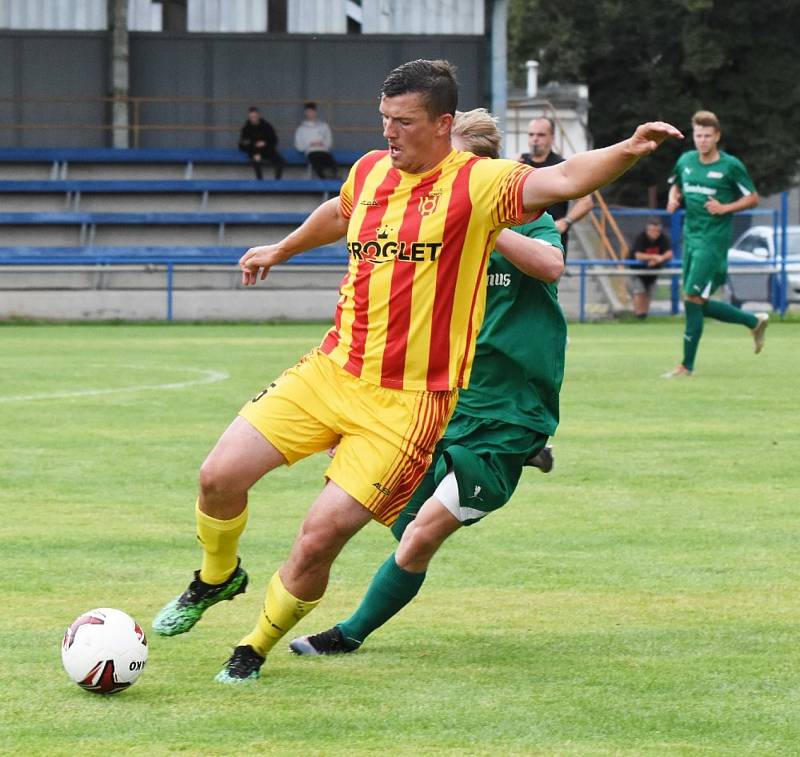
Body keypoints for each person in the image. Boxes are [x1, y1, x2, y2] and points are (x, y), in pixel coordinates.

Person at [151, 58, 680, 684]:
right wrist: (282, 248)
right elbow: (338, 209)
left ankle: (254, 646)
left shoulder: (479, 184)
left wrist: (631, 147)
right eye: (384, 120)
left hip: (407, 407)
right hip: (331, 370)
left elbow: (563, 178)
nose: (388, 134)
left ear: (442, 124)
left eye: (403, 122)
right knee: (217, 475)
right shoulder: (371, 170)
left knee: (319, 539)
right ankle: (217, 577)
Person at [288, 108, 568, 658]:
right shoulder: (432, 217)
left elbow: (551, 266)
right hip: (442, 400)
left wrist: (488, 224)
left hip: (509, 407)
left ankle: (348, 635)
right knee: (390, 516)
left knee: (421, 537)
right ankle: (529, 455)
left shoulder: (524, 212)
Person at [663, 110, 767, 378]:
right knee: (696, 300)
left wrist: (725, 207)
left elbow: (753, 197)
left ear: (717, 136)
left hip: (712, 240)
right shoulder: (686, 161)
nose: (702, 141)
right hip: (691, 236)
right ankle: (754, 321)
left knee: (692, 298)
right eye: (698, 135)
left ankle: (686, 365)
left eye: (708, 136)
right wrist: (673, 199)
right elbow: (675, 185)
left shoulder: (730, 166)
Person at [519, 116, 595, 253]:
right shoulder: (519, 163)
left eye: (541, 135)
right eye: (531, 134)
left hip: (550, 237)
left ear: (552, 138)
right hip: (522, 236)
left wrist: (566, 222)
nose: (535, 139)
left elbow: (586, 202)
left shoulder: (563, 165)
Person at [628, 217, 673, 319]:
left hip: (653, 270)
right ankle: (638, 315)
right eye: (652, 231)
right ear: (647, 230)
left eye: (657, 231)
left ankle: (644, 316)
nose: (655, 233)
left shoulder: (663, 238)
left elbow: (669, 253)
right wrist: (653, 257)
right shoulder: (641, 237)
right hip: (637, 270)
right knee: (639, 291)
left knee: (649, 292)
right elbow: (638, 255)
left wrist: (660, 259)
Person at [238, 106, 285, 180]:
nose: (253, 119)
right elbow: (242, 145)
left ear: (259, 116)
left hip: (268, 149)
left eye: (255, 116)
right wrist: (254, 150)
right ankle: (260, 184)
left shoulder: (266, 126)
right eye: (251, 117)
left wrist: (265, 143)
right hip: (254, 151)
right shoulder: (246, 129)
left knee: (280, 161)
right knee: (256, 161)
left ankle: (277, 183)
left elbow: (274, 140)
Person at [294, 101, 338, 179]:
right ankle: (324, 180)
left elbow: (329, 141)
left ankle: (335, 179)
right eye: (308, 112)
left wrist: (321, 144)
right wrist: (310, 145)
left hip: (323, 151)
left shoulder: (324, 126)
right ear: (305, 113)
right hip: (311, 152)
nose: (311, 113)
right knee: (316, 163)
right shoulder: (301, 129)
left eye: (312, 111)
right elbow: (299, 146)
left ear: (315, 112)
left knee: (333, 163)